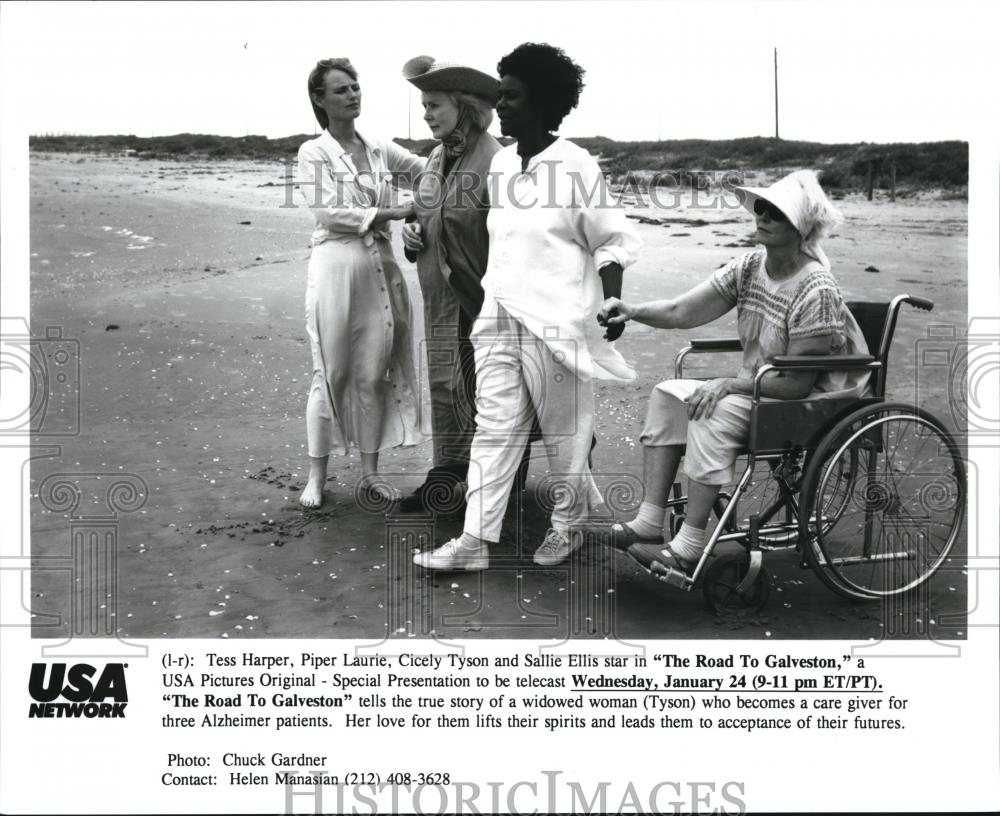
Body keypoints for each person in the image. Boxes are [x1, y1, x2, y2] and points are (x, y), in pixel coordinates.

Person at [413, 43, 640, 571]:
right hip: (499, 318)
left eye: (511, 96)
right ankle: (473, 541)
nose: (502, 104)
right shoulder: (501, 166)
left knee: (565, 434)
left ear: (543, 101)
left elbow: (611, 240)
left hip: (557, 323)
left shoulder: (576, 165)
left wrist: (612, 298)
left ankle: (568, 527)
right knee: (492, 430)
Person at [598, 169, 870, 575]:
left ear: (800, 227)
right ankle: (650, 522)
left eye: (774, 212)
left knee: (713, 409)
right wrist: (632, 311)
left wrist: (728, 384)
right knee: (669, 394)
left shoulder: (817, 288)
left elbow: (797, 383)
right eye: (760, 207)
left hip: (808, 401)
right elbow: (682, 310)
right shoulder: (749, 267)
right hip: (760, 389)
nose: (761, 216)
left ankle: (689, 545)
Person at [297, 58, 425, 508]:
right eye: (340, 90)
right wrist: (394, 212)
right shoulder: (313, 152)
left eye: (355, 87)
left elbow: (427, 169)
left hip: (380, 266)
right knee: (329, 371)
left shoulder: (378, 147)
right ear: (320, 99)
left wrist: (472, 148)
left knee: (374, 370)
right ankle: (316, 476)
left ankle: (371, 472)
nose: (352, 95)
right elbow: (329, 212)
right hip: (337, 266)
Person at [395, 56, 504, 514]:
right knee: (446, 389)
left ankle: (494, 481)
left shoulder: (496, 160)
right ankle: (447, 479)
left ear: (464, 106)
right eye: (423, 105)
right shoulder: (437, 157)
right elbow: (425, 218)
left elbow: (510, 240)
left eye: (434, 104)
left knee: (490, 393)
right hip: (440, 299)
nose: (425, 114)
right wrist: (411, 236)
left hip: (481, 301)